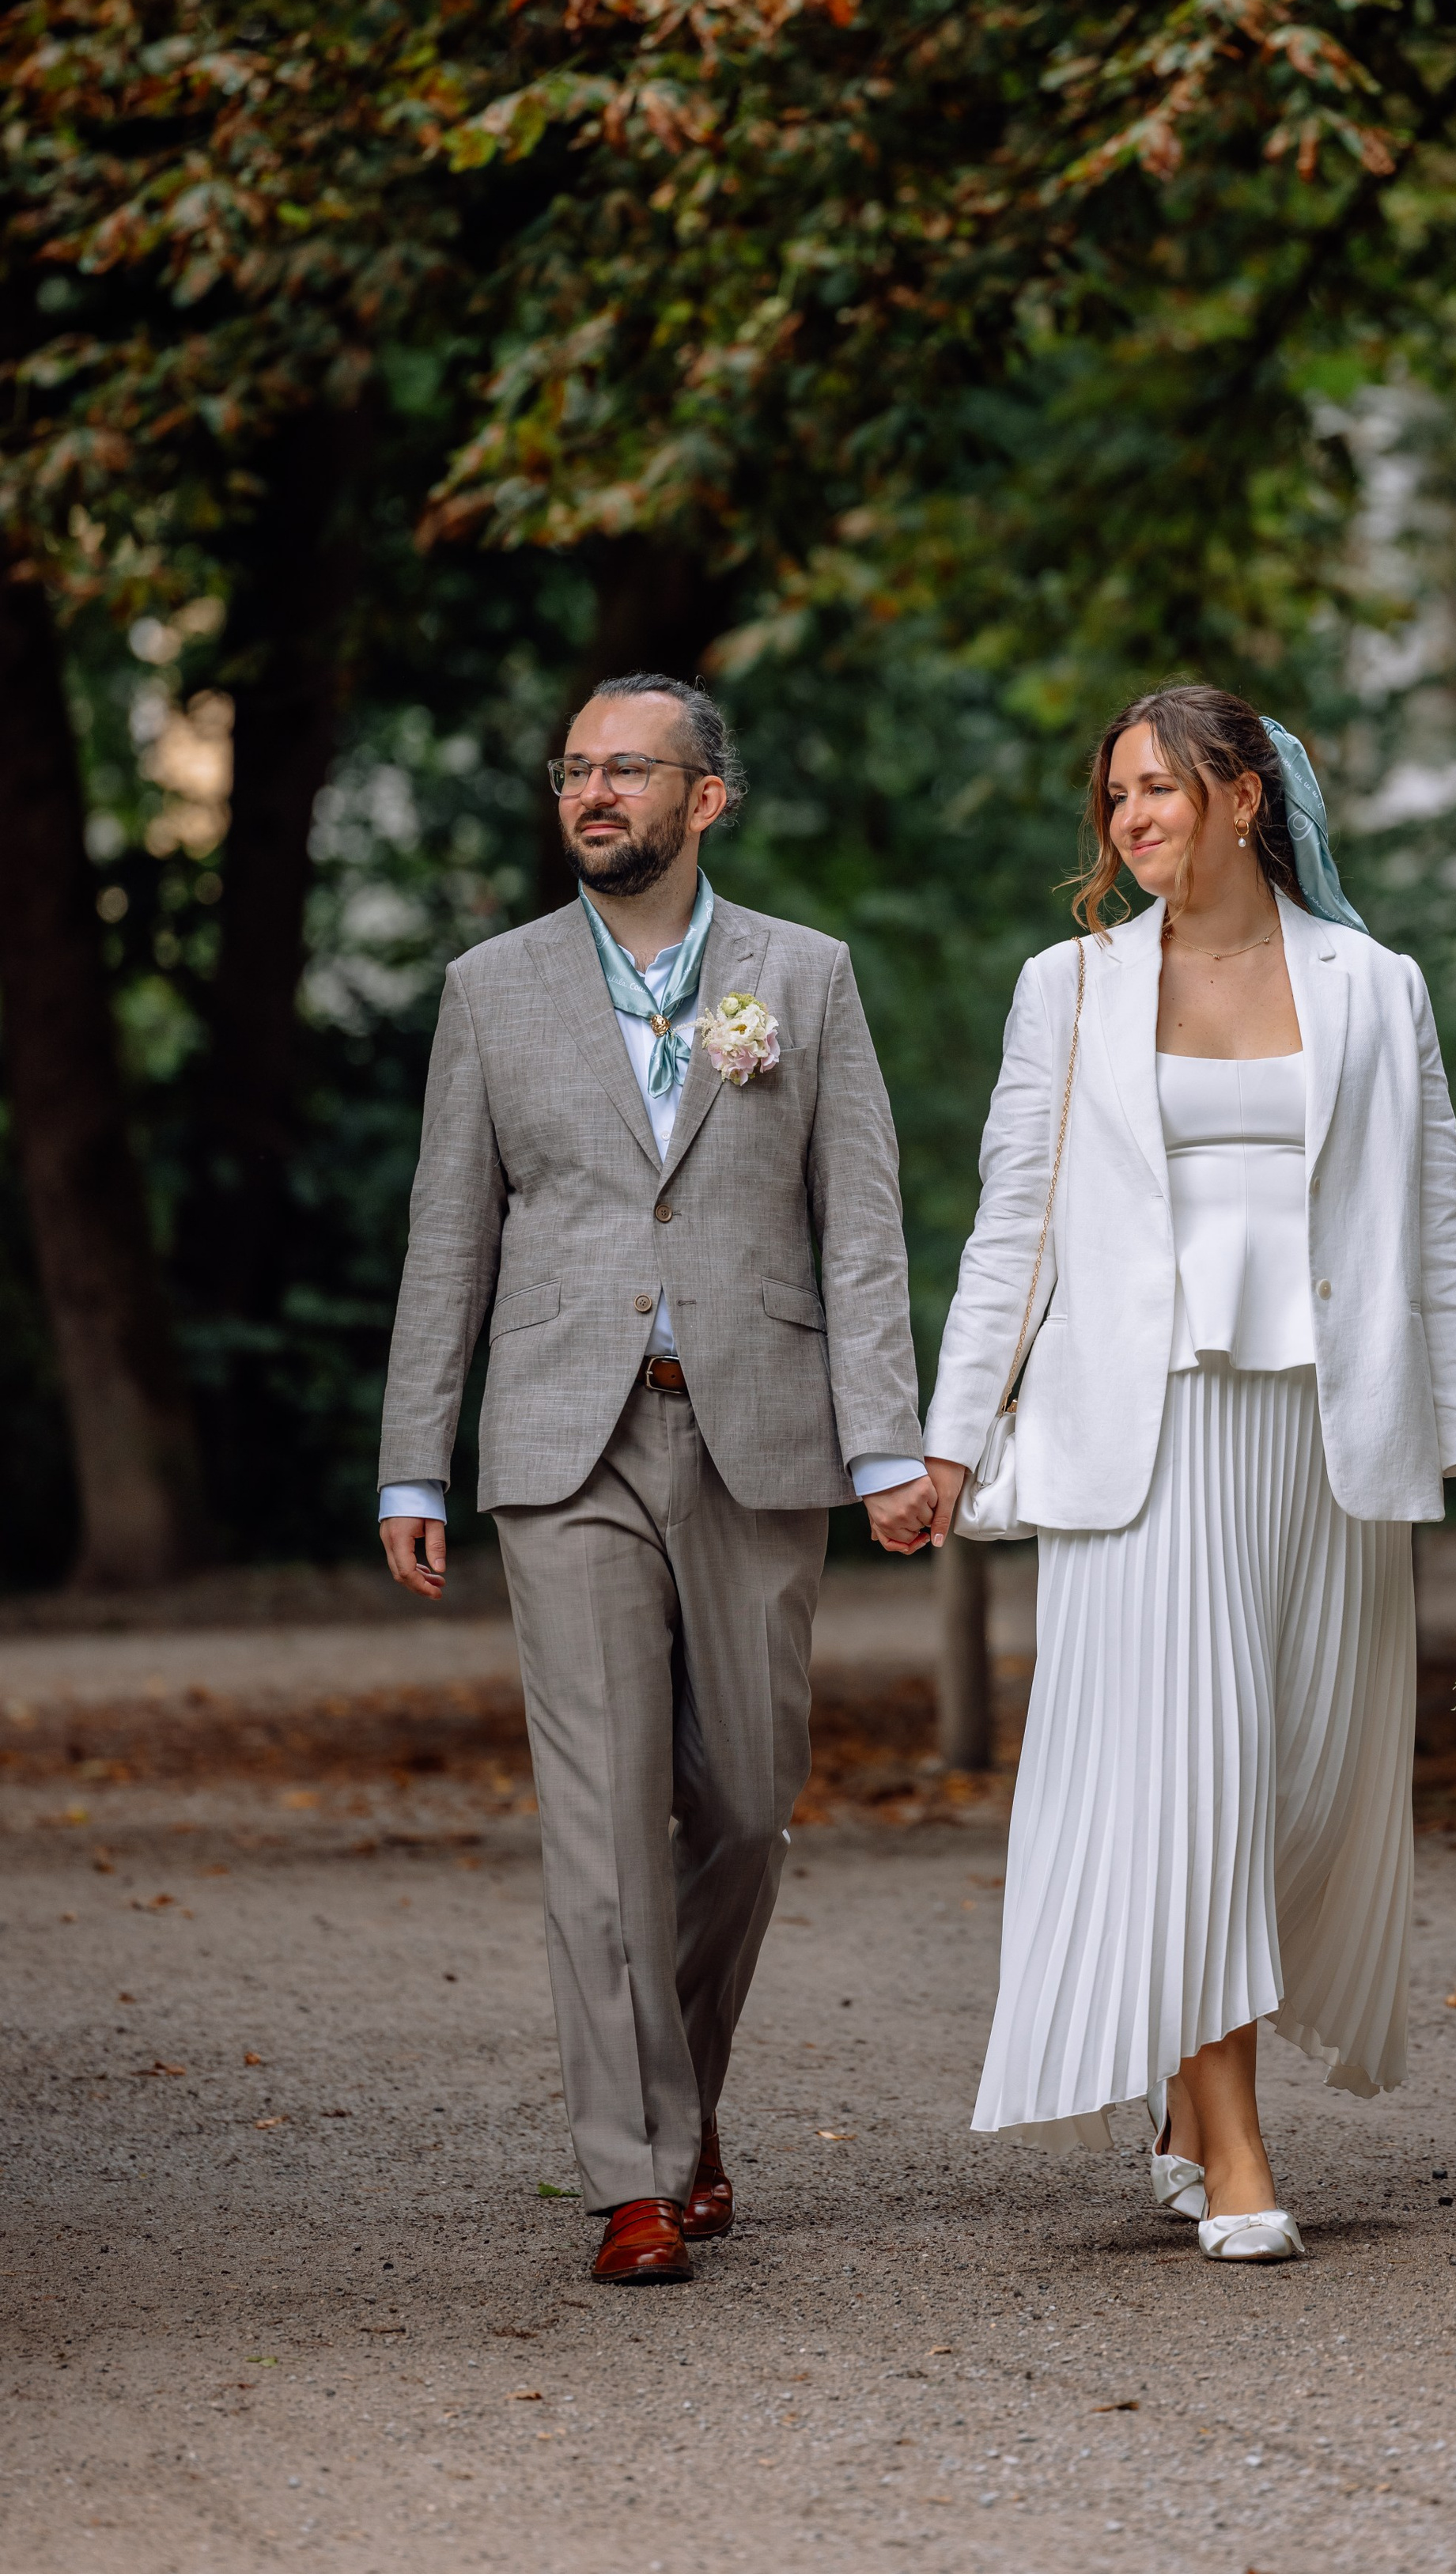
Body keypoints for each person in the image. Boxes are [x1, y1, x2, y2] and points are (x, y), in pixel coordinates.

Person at [921, 687, 1456, 2263]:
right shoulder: (1063, 987)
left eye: (1155, 788)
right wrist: (947, 1434)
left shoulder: (1372, 984)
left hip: (1326, 1434)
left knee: (1297, 1784)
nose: (1127, 817)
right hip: (1143, 1438)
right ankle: (1239, 2146)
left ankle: (1183, 2083)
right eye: (1112, 795)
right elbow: (1011, 1224)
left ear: (1242, 799)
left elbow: (1436, 1228)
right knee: (1183, 1778)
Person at [377, 675, 934, 2284]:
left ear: (708, 798)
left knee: (748, 1805)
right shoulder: (490, 990)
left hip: (756, 1426)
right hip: (564, 1441)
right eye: (575, 769)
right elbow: (447, 1240)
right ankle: (633, 2168)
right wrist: (414, 1454)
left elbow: (863, 1221)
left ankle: (678, 2096)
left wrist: (883, 1437)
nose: (593, 791)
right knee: (602, 1817)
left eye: (629, 768)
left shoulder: (804, 978)